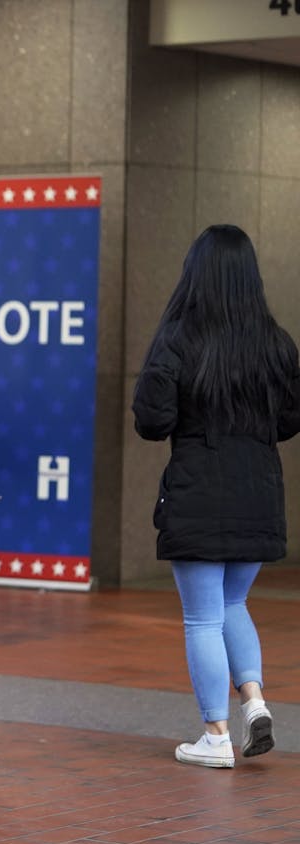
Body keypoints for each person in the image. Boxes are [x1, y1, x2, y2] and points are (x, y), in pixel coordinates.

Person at [133, 224, 300, 769]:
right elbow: (291, 417)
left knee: (203, 617)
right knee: (232, 603)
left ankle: (216, 735)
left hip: (198, 488)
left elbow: (152, 420)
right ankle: (253, 701)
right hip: (259, 490)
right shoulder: (275, 340)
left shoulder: (180, 335)